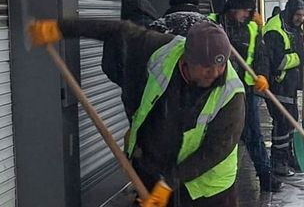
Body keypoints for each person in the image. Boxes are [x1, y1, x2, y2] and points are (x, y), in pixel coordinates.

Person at [29, 19, 254, 207]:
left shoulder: (231, 96)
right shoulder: (163, 50)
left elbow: (216, 150)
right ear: (188, 59)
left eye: (221, 65)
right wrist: (60, 29)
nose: (215, 73)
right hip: (154, 171)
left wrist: (170, 182)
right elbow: (118, 31)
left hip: (207, 189)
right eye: (207, 66)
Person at [207, 0, 279, 193]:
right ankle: (212, 177)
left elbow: (261, 55)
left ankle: (266, 176)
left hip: (244, 91)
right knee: (216, 134)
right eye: (244, 10)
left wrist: (263, 75)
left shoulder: (252, 28)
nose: (248, 14)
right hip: (215, 89)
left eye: (250, 11)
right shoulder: (213, 22)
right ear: (233, 8)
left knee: (254, 133)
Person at [262, 0, 304, 176]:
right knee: (283, 122)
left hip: (290, 82)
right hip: (277, 82)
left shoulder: (293, 26)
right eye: (298, 14)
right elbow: (279, 62)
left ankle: (289, 156)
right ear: (290, 11)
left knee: (291, 119)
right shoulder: (275, 29)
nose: (301, 18)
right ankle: (278, 161)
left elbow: (299, 50)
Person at [105, 0, 159, 120]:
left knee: (137, 129)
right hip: (159, 92)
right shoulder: (159, 28)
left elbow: (108, 66)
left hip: (132, 94)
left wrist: (124, 80)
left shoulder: (115, 33)